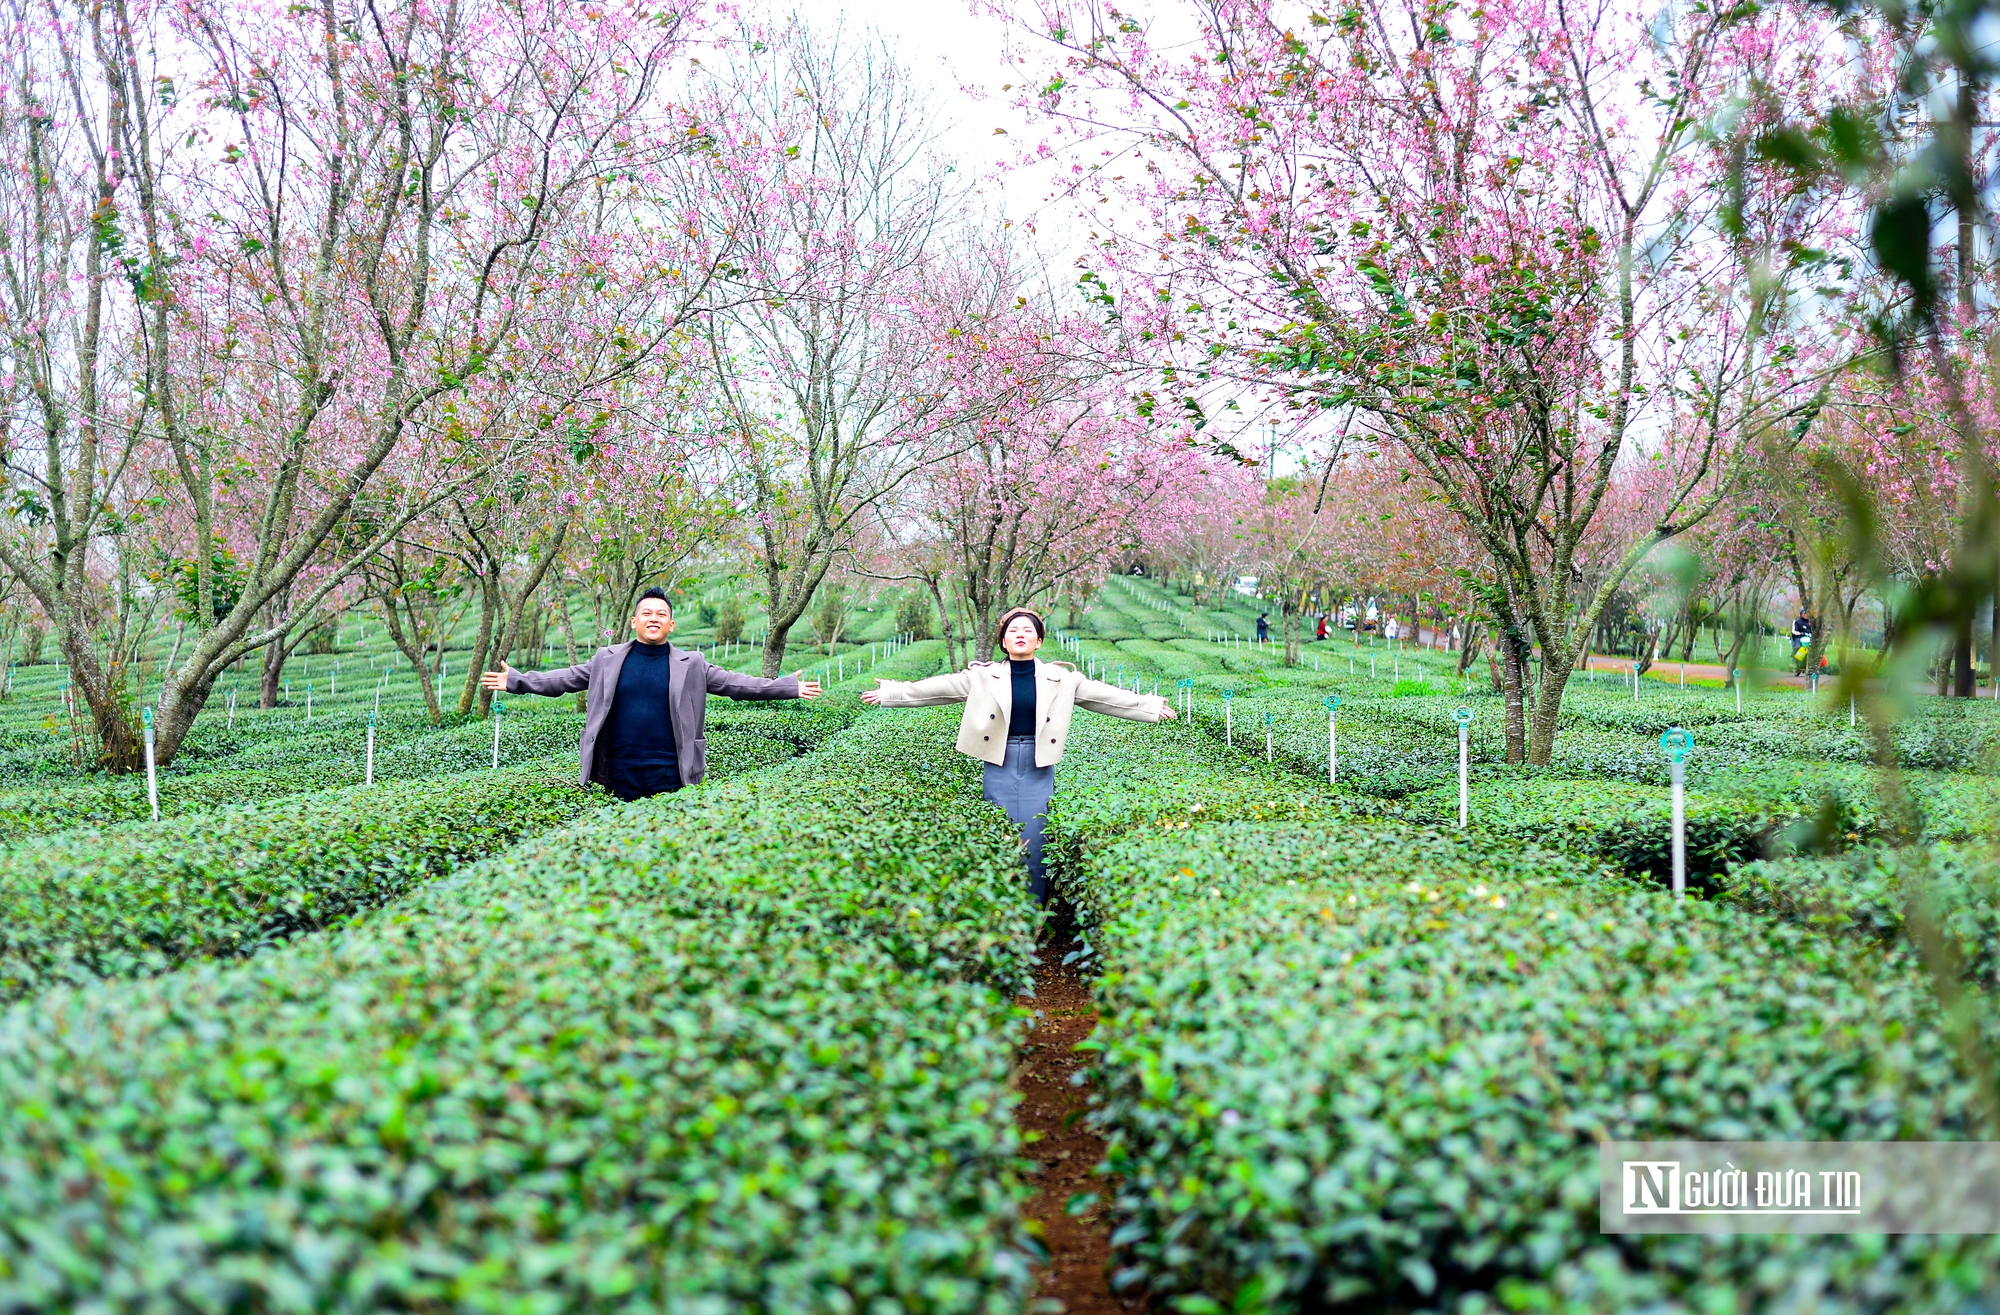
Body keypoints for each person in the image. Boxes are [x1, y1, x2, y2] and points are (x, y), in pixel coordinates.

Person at [860, 606, 1175, 905]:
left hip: (1039, 765)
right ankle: (1004, 909)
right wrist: (893, 692)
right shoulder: (983, 676)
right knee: (1003, 835)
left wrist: (1148, 705)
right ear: (1003, 641)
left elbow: (1104, 696)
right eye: (1013, 630)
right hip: (999, 761)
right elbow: (938, 688)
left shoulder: (1062, 678)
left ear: (1039, 641)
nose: (1020, 634)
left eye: (1028, 630)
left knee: (1036, 842)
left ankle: (1033, 911)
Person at [480, 586, 821, 801]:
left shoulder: (692, 664)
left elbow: (738, 685)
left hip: (673, 771)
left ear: (671, 624)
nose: (653, 618)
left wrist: (787, 687)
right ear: (634, 621)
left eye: (661, 614)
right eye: (647, 613)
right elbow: (566, 679)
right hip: (620, 771)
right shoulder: (607, 659)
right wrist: (518, 681)